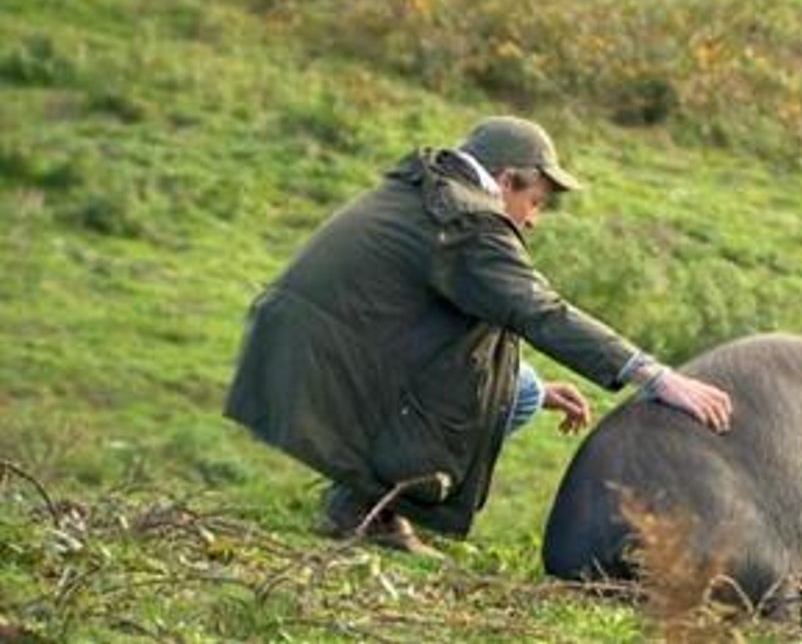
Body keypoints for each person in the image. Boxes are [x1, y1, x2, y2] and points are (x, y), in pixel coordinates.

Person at [225, 115, 733, 552]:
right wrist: (656, 377)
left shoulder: (426, 190)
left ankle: (364, 504)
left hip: (306, 348)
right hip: (330, 362)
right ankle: (365, 508)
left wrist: (524, 386)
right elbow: (542, 313)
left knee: (523, 391)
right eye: (535, 202)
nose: (533, 221)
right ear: (506, 180)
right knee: (512, 392)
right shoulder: (470, 225)